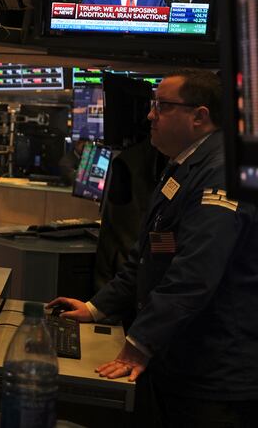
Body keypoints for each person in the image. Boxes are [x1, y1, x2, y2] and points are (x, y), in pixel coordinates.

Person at [48, 70, 258, 427]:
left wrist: (140, 342)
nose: (150, 115)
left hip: (217, 373)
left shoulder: (220, 173)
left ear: (199, 116)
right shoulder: (184, 166)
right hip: (185, 359)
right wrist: (97, 308)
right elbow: (150, 253)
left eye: (161, 106)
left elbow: (194, 273)